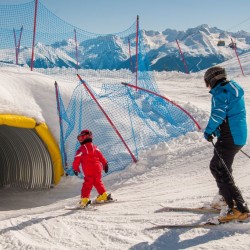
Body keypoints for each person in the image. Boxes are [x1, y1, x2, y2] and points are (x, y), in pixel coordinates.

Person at [203, 66, 249, 222]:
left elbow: (218, 114)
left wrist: (209, 131)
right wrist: (218, 129)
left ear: (212, 79)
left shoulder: (221, 92)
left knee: (218, 168)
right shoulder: (231, 88)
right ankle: (226, 199)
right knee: (221, 168)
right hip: (236, 136)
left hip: (230, 138)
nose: (207, 86)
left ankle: (234, 208)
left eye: (207, 82)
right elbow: (229, 115)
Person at [72, 129, 111, 207]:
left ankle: (84, 200)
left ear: (85, 137)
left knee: (87, 185)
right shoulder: (95, 147)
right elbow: (101, 157)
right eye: (80, 138)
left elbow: (77, 160)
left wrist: (75, 168)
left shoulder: (81, 149)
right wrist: (105, 164)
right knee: (97, 182)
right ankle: (104, 195)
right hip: (97, 169)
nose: (80, 140)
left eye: (81, 138)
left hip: (89, 171)